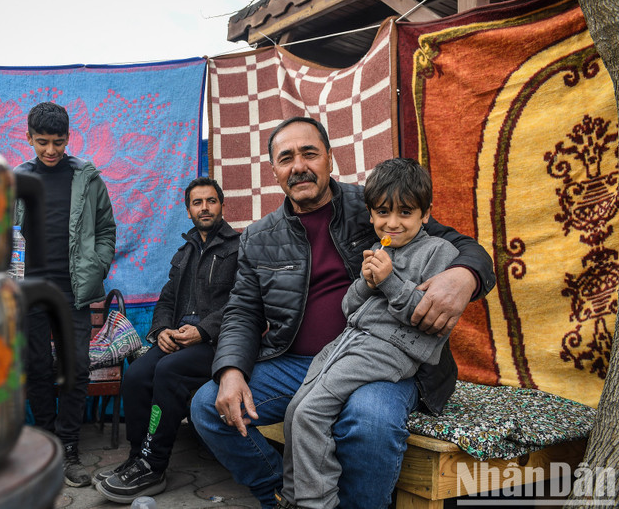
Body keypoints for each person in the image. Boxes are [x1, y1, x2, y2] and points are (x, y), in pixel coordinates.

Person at [189, 117, 496, 509]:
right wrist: (231, 370)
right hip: (299, 362)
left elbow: (459, 245)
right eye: (286, 158)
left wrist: (465, 275)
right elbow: (242, 310)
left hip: (383, 357)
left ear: (330, 159)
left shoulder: (375, 206)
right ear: (275, 172)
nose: (299, 165)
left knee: (369, 421)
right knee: (208, 405)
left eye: (309, 153)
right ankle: (280, 497)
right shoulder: (258, 237)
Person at [278, 158, 462, 509]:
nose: (392, 223)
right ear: (371, 212)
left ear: (425, 214)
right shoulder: (381, 248)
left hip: (389, 350)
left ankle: (316, 503)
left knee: (311, 413)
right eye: (382, 213)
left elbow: (428, 320)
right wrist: (366, 280)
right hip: (350, 341)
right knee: (295, 409)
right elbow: (349, 308)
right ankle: (291, 497)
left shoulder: (440, 253)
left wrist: (390, 281)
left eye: (405, 213)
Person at [94, 177, 240, 503]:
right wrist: (162, 331)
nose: (204, 207)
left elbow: (242, 302)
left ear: (222, 205)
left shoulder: (238, 248)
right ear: (188, 210)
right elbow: (166, 301)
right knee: (136, 375)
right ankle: (138, 457)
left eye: (211, 201)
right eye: (197, 202)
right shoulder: (184, 252)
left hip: (217, 342)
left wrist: (203, 330)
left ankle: (154, 465)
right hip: (177, 338)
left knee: (169, 371)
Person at [15, 102, 116, 488]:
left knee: (75, 369)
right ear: (29, 138)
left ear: (68, 138)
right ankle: (45, 444)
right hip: (30, 294)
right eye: (43, 142)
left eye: (58, 142)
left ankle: (70, 448)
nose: (51, 151)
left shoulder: (86, 178)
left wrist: (98, 265)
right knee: (37, 368)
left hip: (74, 292)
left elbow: (107, 228)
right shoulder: (17, 179)